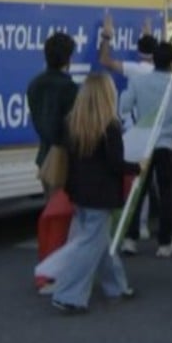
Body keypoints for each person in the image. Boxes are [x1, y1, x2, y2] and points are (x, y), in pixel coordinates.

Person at [50, 73, 140, 314]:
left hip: (79, 192)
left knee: (97, 242)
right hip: (101, 195)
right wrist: (138, 167)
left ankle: (116, 287)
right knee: (91, 245)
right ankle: (68, 295)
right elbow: (115, 164)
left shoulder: (73, 123)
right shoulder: (110, 126)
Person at [120, 42, 172, 257]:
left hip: (144, 144)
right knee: (166, 193)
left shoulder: (138, 81)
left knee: (138, 192)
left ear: (152, 59)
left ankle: (130, 239)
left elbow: (124, 106)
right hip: (167, 144)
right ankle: (165, 243)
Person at [99, 13, 157, 239]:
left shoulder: (136, 70)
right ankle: (142, 226)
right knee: (147, 182)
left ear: (139, 51)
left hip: (135, 130)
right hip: (156, 132)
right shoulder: (160, 72)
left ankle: (128, 227)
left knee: (133, 179)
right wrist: (148, 35)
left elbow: (105, 61)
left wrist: (107, 36)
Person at [27, 32, 79, 192]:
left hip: (44, 157)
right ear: (69, 59)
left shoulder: (34, 85)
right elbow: (73, 129)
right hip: (66, 161)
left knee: (51, 204)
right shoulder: (70, 88)